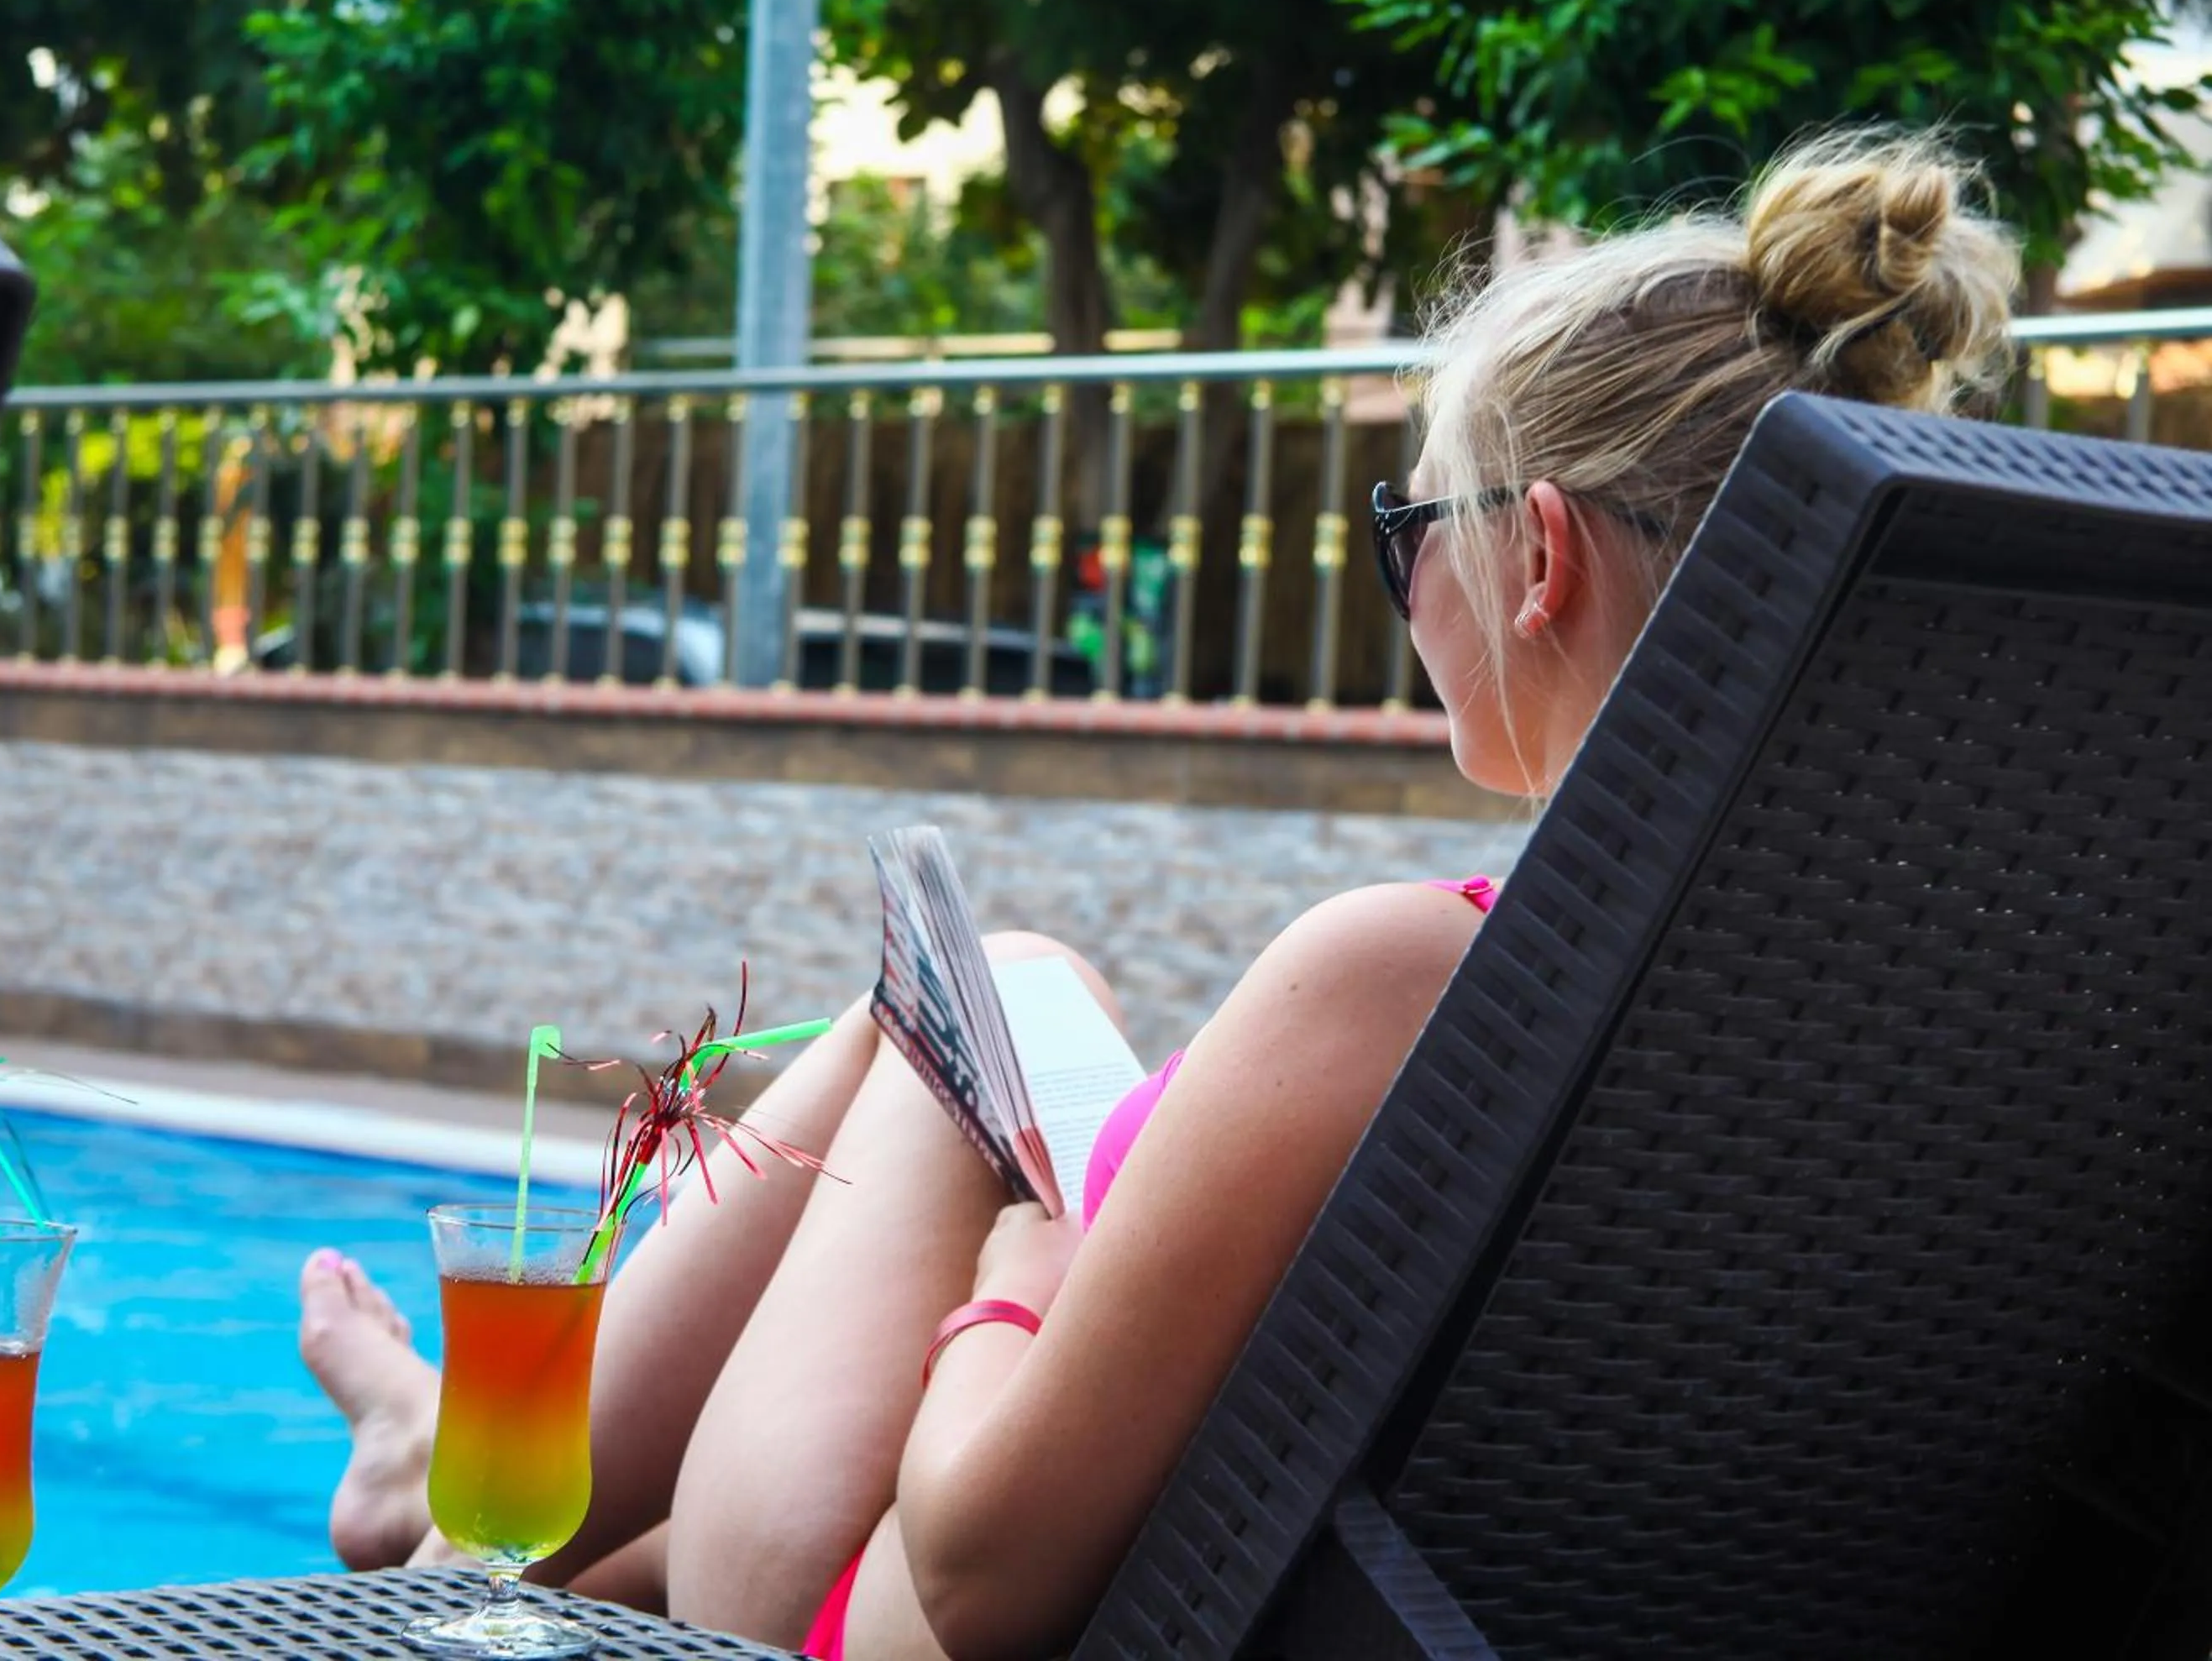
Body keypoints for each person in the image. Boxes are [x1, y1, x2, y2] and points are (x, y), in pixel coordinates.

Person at [298, 127, 2021, 1660]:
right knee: (1020, 982)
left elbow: (973, 1577)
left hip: (864, 1604)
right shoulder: (1964, 1005)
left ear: (1543, 554)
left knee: (951, 1012)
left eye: (1408, 526)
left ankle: (469, 1487)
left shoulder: (1403, 978)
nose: (1409, 580)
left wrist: (1025, 1257)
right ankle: (462, 1458)